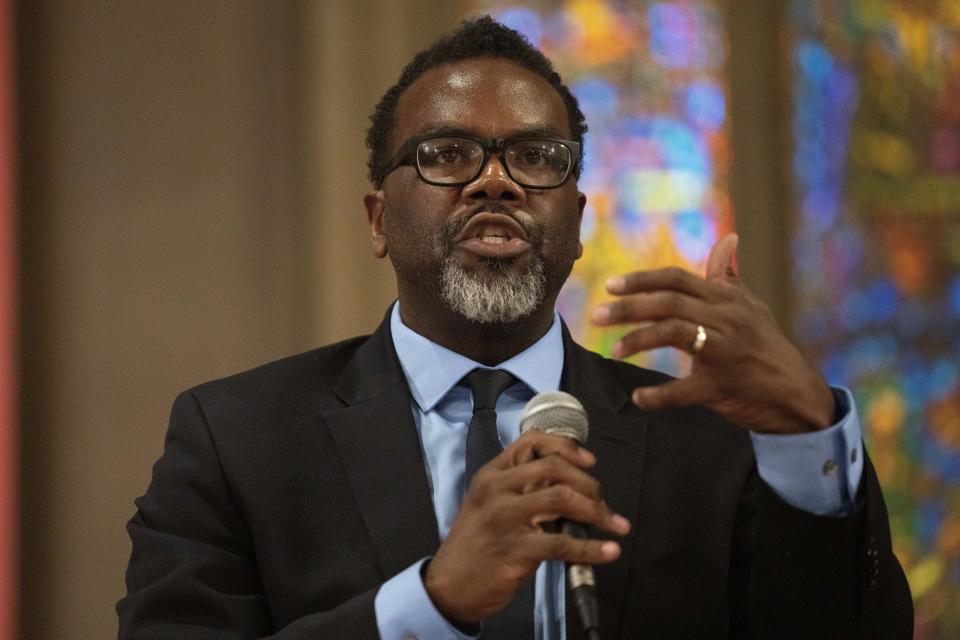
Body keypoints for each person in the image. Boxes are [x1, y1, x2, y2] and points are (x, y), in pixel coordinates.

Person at [118, 16, 913, 640]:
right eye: (447, 153)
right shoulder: (237, 438)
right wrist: (430, 605)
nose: (494, 180)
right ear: (378, 220)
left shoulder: (710, 442)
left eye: (536, 158)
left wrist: (808, 437)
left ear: (575, 219)